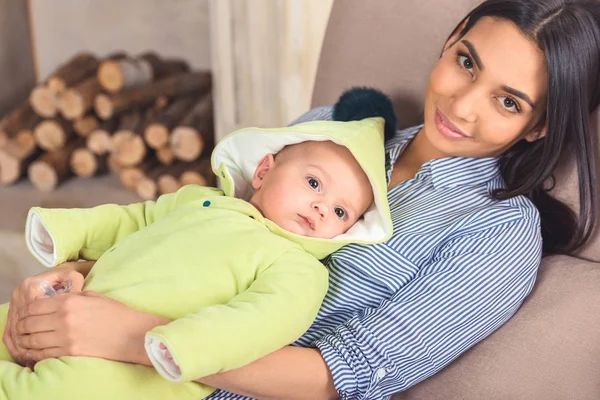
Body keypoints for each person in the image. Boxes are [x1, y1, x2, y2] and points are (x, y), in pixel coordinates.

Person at [5, 0, 600, 398]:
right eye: (466, 63)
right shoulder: (330, 131)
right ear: (449, 43)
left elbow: (346, 375)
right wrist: (72, 287)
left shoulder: (498, 233)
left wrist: (131, 338)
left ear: (539, 127)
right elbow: (197, 232)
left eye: (508, 101)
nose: (463, 105)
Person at [0, 90, 395, 399]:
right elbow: (133, 220)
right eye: (314, 183)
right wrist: (71, 232)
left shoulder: (298, 269)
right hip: (79, 302)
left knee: (54, 392)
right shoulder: (200, 201)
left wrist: (183, 346)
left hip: (130, 370)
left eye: (342, 212)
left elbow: (255, 323)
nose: (321, 207)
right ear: (264, 170)